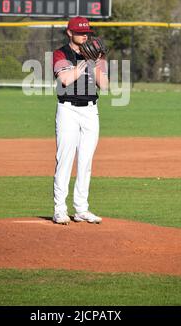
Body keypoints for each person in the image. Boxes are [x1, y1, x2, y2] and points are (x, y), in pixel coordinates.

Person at [52, 16, 108, 225]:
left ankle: (82, 209)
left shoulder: (95, 54)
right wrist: (86, 61)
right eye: (80, 32)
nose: (85, 35)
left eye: (87, 33)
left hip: (91, 111)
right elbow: (65, 79)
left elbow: (105, 85)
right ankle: (59, 209)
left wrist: (96, 61)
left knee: (85, 162)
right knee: (65, 160)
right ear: (69, 33)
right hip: (68, 110)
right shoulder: (61, 53)